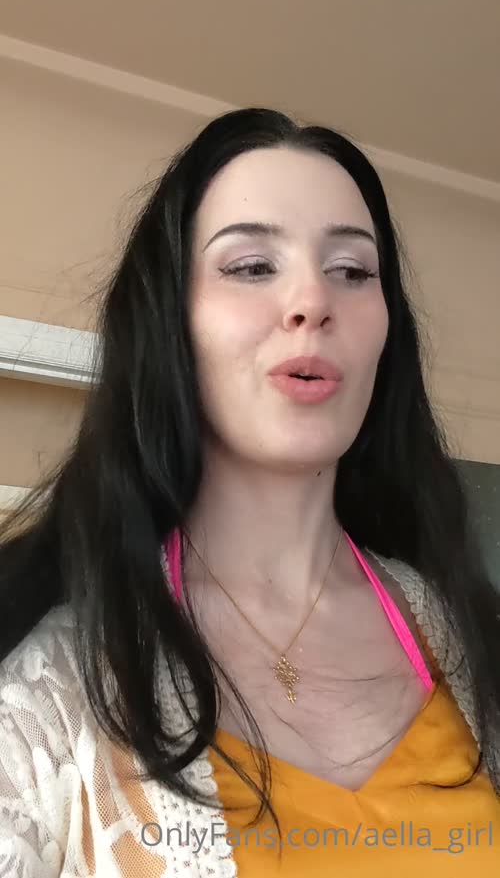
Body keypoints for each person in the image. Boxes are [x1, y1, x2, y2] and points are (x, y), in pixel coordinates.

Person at [0, 107, 499, 877]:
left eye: (352, 270)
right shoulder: (49, 683)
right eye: (251, 266)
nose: (312, 300)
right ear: (171, 321)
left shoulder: (470, 638)